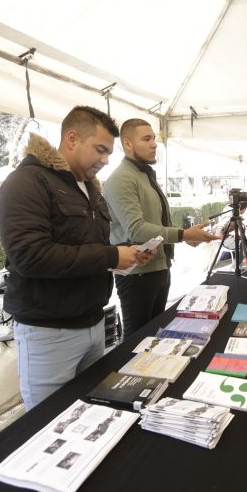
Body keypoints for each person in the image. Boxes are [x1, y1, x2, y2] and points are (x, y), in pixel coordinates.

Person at [0, 105, 152, 410]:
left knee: (88, 416)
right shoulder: (26, 183)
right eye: (100, 150)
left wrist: (124, 255)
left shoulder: (91, 188)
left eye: (109, 152)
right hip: (49, 334)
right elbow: (30, 256)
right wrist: (110, 256)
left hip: (94, 326)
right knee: (47, 425)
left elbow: (85, 247)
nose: (106, 160)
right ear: (71, 139)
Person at [103, 119, 220, 339]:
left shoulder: (144, 175)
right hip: (136, 275)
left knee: (154, 337)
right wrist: (183, 234)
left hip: (158, 269)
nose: (154, 144)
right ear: (127, 143)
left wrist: (184, 237)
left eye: (154, 138)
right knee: (136, 340)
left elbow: (155, 221)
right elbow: (136, 229)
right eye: (146, 139)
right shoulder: (120, 179)